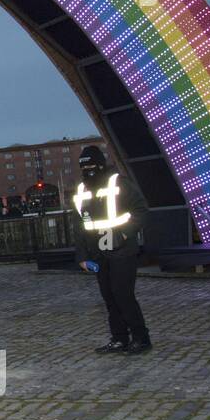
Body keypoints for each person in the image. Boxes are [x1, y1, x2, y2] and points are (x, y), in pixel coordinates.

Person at [73, 145, 152, 355]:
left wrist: (124, 233)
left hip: (122, 250)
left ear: (101, 164)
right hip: (99, 252)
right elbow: (80, 225)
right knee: (109, 296)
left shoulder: (119, 183)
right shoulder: (82, 190)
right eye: (84, 167)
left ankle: (141, 337)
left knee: (122, 294)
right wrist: (82, 256)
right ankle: (119, 338)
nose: (88, 170)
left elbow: (141, 211)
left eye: (91, 165)